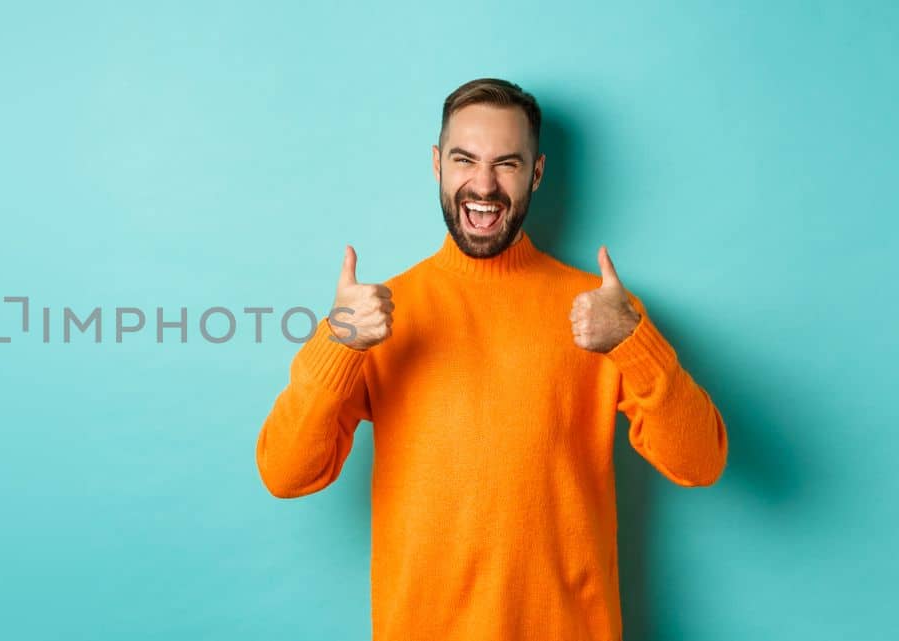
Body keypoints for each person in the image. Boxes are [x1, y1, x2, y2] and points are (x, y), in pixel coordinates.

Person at [254, 78, 729, 641]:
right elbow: (284, 474)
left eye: (507, 163)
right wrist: (336, 343)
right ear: (436, 164)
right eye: (464, 159)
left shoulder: (603, 313)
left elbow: (700, 462)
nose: (483, 185)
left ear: (537, 173)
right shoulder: (376, 316)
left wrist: (635, 342)